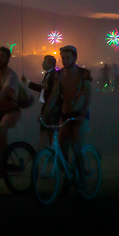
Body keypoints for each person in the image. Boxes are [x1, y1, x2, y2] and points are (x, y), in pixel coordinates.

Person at [44, 45, 92, 191]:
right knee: (62, 149)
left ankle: (82, 180)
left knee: (76, 148)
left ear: (75, 58)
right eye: (63, 58)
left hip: (79, 116)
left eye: (67, 58)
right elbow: (53, 96)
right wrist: (45, 114)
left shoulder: (83, 74)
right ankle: (67, 178)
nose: (65, 61)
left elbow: (88, 95)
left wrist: (83, 114)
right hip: (65, 116)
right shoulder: (59, 76)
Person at [22, 54, 58, 151]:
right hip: (49, 107)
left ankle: (41, 154)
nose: (42, 64)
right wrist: (27, 82)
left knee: (46, 131)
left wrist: (27, 82)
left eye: (44, 62)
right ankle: (50, 153)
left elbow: (49, 91)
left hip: (50, 108)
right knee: (49, 132)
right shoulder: (48, 75)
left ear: (50, 64)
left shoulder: (53, 76)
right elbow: (40, 88)